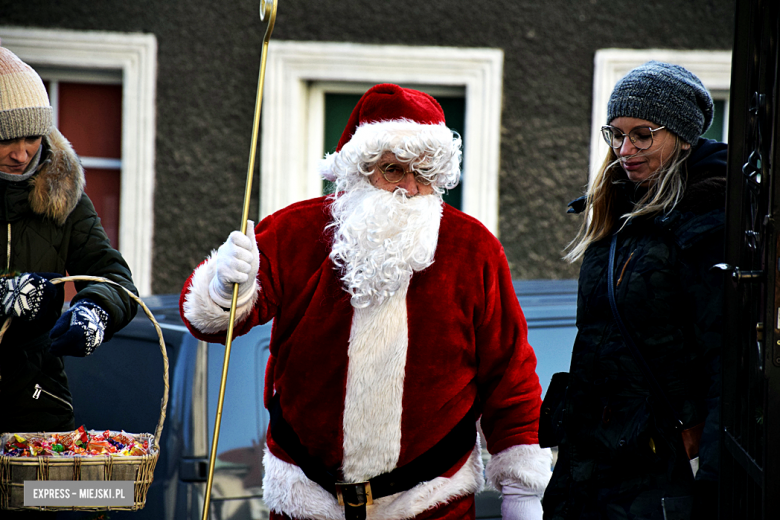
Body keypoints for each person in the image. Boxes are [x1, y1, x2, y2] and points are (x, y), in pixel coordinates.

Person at [180, 83, 552, 520]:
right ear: (360, 169)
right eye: (394, 170)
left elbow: (509, 375)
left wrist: (521, 494)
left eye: (426, 172)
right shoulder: (295, 233)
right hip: (308, 501)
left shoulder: (472, 250)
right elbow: (211, 325)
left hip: (431, 502)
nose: (411, 189)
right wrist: (225, 288)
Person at [542, 61, 726, 519]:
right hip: (594, 458)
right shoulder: (616, 212)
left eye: (643, 134)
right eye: (616, 134)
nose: (626, 149)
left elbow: (726, 355)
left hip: (658, 465)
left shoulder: (708, 216)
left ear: (683, 135)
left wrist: (713, 475)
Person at [0, 46, 138, 517]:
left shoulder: (63, 195)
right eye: (6, 140)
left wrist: (98, 309)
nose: (22, 153)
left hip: (38, 413)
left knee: (57, 508)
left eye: (33, 137)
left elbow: (113, 275)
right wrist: (5, 298)